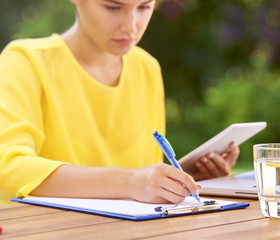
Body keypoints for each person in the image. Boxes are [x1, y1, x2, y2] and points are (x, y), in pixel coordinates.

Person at [0, 0, 239, 205]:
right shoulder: (24, 63)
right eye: (114, 7)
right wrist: (130, 181)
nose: (131, 26)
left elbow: (142, 175)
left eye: (144, 7)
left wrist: (182, 178)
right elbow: (7, 169)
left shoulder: (146, 68)